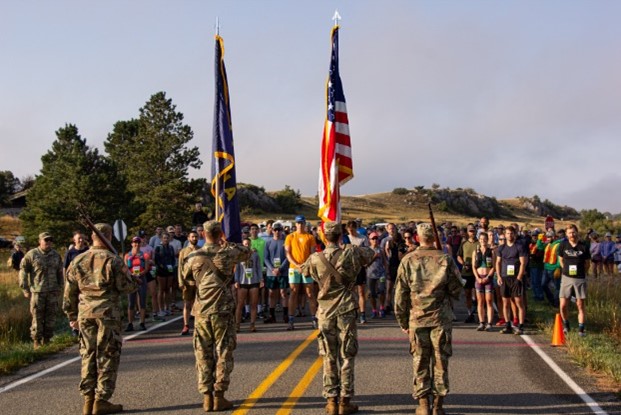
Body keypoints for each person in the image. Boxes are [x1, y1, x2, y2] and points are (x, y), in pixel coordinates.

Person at [63, 223, 139, 415]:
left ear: (92, 236)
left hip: (85, 314)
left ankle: (88, 399)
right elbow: (127, 287)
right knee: (107, 354)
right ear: (109, 236)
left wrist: (72, 316)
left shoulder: (78, 260)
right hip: (107, 315)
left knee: (88, 355)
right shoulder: (113, 260)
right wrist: (132, 278)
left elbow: (69, 293)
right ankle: (101, 399)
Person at [301, 221, 374, 415]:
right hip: (346, 310)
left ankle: (331, 401)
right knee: (347, 355)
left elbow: (304, 270)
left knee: (329, 356)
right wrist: (351, 245)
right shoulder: (351, 253)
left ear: (324, 237)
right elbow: (371, 255)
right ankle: (345, 400)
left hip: (325, 311)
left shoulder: (315, 258)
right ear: (341, 236)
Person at [181, 220, 251, 412]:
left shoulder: (192, 256)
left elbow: (186, 281)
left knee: (203, 353)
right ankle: (219, 395)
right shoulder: (228, 252)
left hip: (202, 310)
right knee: (223, 352)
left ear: (203, 235)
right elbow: (247, 252)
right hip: (223, 309)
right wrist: (227, 243)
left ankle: (206, 396)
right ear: (221, 234)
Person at [395, 223, 464, 415]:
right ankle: (438, 406)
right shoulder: (445, 259)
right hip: (440, 318)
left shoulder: (408, 260)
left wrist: (402, 320)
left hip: (417, 318)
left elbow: (400, 295)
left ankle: (423, 404)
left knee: (420, 360)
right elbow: (457, 289)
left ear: (418, 238)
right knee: (441, 361)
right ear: (433, 238)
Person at [18, 232, 64, 349]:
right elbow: (23, 271)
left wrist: (61, 287)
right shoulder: (32, 254)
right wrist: (25, 288)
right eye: (46, 240)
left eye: (50, 240)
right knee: (37, 318)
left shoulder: (56, 255)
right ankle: (37, 342)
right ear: (40, 241)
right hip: (38, 292)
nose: (48, 242)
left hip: (53, 291)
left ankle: (47, 340)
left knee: (51, 317)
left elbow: (60, 272)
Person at [285, 215, 317, 330]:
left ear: (305, 224)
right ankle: (291, 319)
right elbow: (288, 253)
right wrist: (297, 265)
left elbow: (312, 253)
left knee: (310, 293)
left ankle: (314, 319)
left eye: (302, 223)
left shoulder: (310, 237)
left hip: (306, 268)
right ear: (295, 224)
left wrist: (305, 265)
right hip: (294, 268)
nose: (300, 225)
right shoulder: (290, 236)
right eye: (298, 223)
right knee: (293, 292)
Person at [558, 224, 591, 336]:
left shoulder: (584, 246)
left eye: (573, 232)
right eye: (569, 233)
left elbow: (587, 263)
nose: (572, 234)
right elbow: (561, 260)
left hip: (580, 278)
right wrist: (565, 270)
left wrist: (583, 273)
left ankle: (581, 329)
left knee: (580, 305)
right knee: (563, 305)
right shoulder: (563, 245)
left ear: (577, 232)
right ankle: (566, 325)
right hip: (566, 278)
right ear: (566, 234)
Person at [496, 226, 527, 335]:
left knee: (519, 302)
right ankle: (508, 325)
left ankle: (521, 326)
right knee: (505, 303)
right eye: (508, 233)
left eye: (511, 233)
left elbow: (523, 263)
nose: (509, 235)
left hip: (516, 278)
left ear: (515, 234)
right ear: (504, 234)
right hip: (504, 277)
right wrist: (499, 276)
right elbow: (498, 262)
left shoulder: (519, 247)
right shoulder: (501, 248)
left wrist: (519, 278)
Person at [234, 237, 263, 332]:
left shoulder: (255, 255)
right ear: (242, 245)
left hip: (254, 281)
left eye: (248, 244)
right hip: (242, 282)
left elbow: (258, 267)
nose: (247, 245)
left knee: (253, 304)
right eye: (245, 244)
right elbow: (237, 269)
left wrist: (261, 279)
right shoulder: (239, 255)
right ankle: (237, 325)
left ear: (250, 244)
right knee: (240, 304)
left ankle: (252, 324)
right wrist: (236, 280)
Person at [264, 222, 290, 323]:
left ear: (282, 230)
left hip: (282, 272)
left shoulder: (285, 242)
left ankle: (285, 314)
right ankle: (272, 315)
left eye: (279, 230)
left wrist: (280, 268)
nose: (277, 232)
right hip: (271, 273)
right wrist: (272, 269)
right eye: (275, 230)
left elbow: (288, 257)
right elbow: (266, 258)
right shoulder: (268, 242)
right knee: (271, 293)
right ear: (272, 230)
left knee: (283, 293)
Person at [124, 236, 151, 332]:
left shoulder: (145, 255)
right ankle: (130, 323)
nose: (136, 244)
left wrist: (140, 275)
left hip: (141, 278)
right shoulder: (127, 255)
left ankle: (142, 322)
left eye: (138, 242)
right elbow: (126, 268)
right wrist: (132, 276)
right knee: (131, 302)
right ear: (132, 244)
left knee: (142, 301)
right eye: (135, 242)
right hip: (131, 280)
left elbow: (147, 268)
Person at [345, 220, 370, 324]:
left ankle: (362, 314)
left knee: (361, 292)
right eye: (349, 230)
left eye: (352, 230)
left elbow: (367, 252)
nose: (351, 232)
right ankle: (353, 312)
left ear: (356, 228)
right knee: (350, 292)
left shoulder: (362, 238)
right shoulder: (345, 239)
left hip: (360, 268)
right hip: (349, 269)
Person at [472, 232, 495, 331]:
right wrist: (477, 277)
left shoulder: (491, 251)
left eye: (484, 239)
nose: (483, 241)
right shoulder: (475, 252)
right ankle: (481, 322)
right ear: (479, 240)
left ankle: (489, 323)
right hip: (478, 277)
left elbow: (494, 266)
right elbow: (473, 266)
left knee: (489, 301)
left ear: (487, 240)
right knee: (480, 301)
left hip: (488, 277)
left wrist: (488, 277)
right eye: (481, 239)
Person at [178, 229, 200, 335]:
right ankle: (186, 325)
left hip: (199, 281)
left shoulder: (201, 250)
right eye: (192, 237)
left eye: (196, 237)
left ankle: (198, 325)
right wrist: (180, 281)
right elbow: (180, 267)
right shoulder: (183, 252)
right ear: (188, 238)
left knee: (198, 304)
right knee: (187, 304)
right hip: (187, 281)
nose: (194, 238)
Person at [457, 224, 479, 323]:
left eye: (473, 231)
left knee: (478, 294)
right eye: (470, 231)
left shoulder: (479, 243)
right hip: (466, 272)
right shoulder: (464, 243)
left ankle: (478, 313)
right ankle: (470, 313)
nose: (472, 233)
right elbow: (459, 256)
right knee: (467, 294)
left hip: (477, 272)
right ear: (467, 232)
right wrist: (463, 263)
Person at [366, 231, 388, 319]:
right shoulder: (367, 250)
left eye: (376, 238)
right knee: (372, 293)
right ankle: (374, 310)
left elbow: (385, 261)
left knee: (382, 291)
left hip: (381, 274)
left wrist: (386, 271)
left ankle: (382, 308)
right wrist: (374, 257)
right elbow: (365, 264)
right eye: (373, 239)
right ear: (369, 240)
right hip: (370, 274)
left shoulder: (381, 249)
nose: (375, 240)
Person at [154, 232, 176, 318]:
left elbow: (173, 258)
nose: (166, 239)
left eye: (167, 238)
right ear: (161, 239)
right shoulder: (158, 248)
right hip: (161, 271)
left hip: (170, 270)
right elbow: (157, 260)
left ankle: (167, 307)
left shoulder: (170, 247)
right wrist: (162, 267)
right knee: (161, 289)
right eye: (164, 238)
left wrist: (172, 266)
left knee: (168, 289)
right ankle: (161, 309)